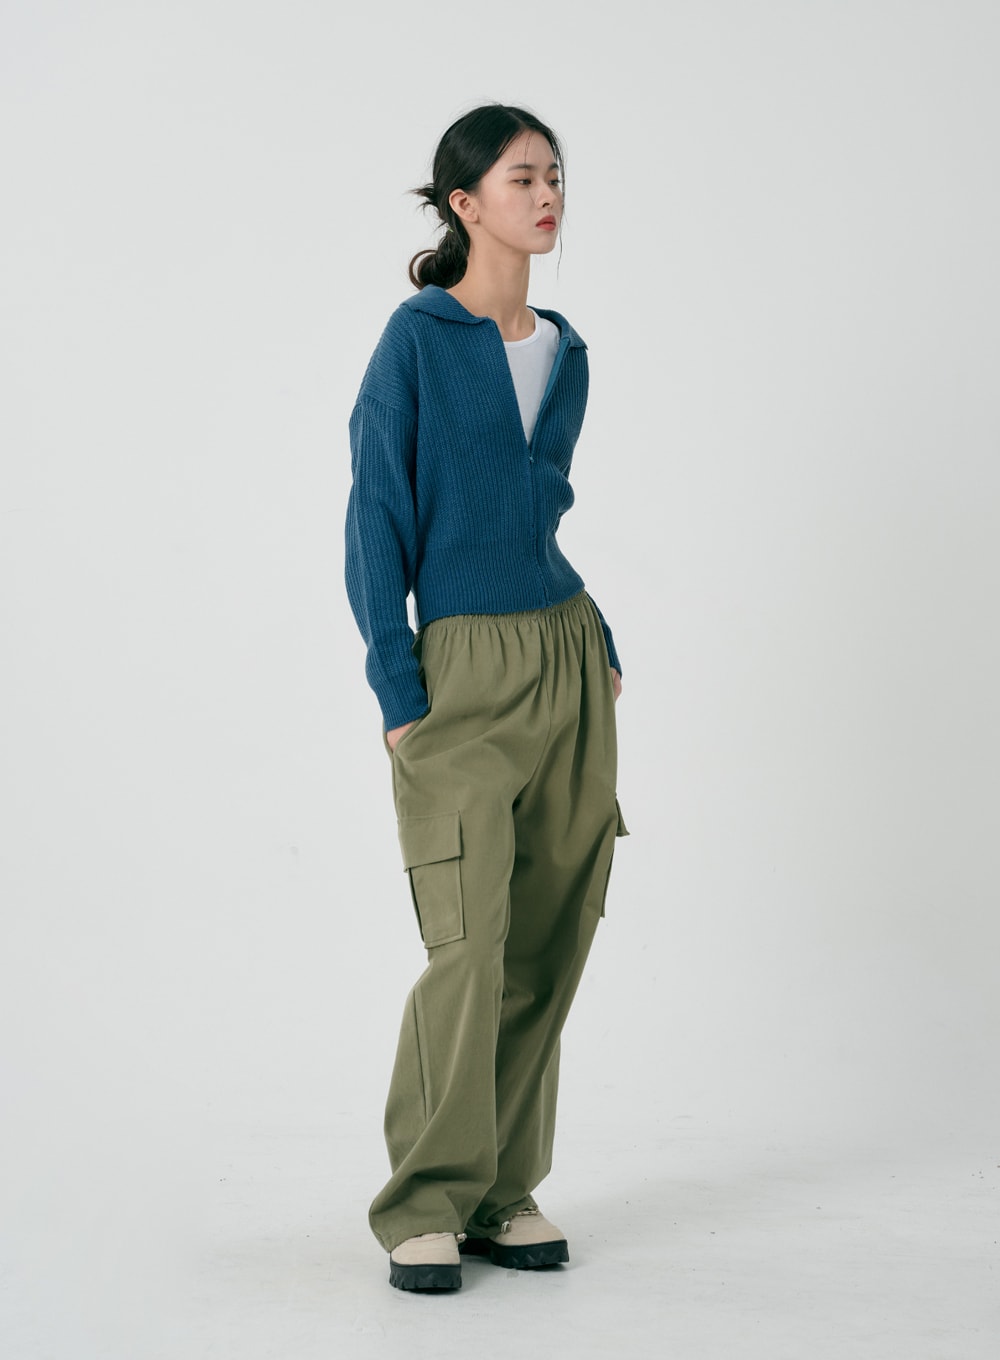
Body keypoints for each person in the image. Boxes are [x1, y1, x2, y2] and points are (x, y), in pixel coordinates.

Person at [345, 102, 628, 1293]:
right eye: (523, 177)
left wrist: (597, 638)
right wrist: (397, 684)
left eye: (555, 174)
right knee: (467, 943)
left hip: (567, 656)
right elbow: (376, 513)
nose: (548, 194)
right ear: (464, 204)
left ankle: (503, 1188)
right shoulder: (416, 340)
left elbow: (536, 513)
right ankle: (424, 1198)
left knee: (550, 939)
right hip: (457, 673)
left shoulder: (565, 350)